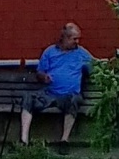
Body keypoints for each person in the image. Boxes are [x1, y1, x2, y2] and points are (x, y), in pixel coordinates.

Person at [19, 21, 93, 151]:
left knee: (75, 100)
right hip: (49, 93)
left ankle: (64, 141)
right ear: (65, 38)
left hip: (69, 96)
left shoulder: (82, 54)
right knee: (28, 98)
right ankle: (23, 141)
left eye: (78, 39)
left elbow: (97, 68)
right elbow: (40, 72)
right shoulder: (50, 52)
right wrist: (44, 77)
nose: (77, 42)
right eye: (74, 39)